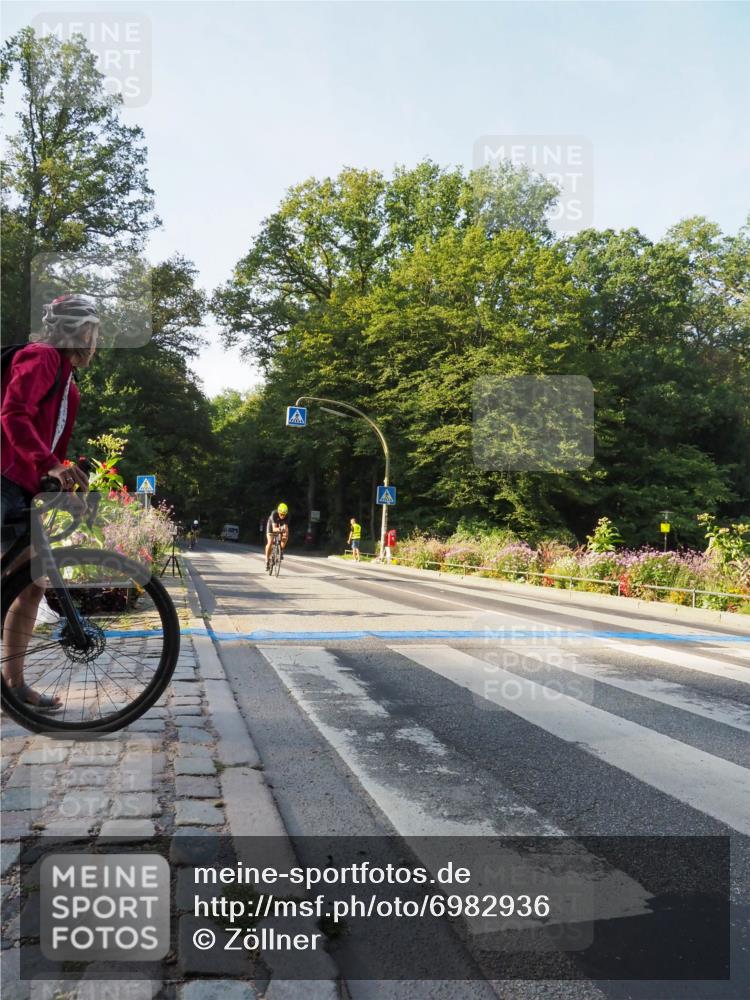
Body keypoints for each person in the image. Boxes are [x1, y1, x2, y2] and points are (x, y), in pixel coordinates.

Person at [1, 294, 99, 709]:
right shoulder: (41, 357)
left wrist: (61, 479)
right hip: (3, 479)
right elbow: (12, 413)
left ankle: (13, 687)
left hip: (20, 485)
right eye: (94, 331)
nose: (96, 342)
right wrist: (48, 464)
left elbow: (51, 444)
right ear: (79, 331)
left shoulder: (66, 380)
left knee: (30, 586)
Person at [265, 502, 289, 569]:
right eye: (281, 514)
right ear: (278, 512)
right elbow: (274, 529)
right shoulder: (274, 514)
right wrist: (280, 529)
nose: (282, 516)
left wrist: (285, 533)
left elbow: (286, 527)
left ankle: (281, 550)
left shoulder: (287, 516)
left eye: (284, 514)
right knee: (270, 541)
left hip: (280, 525)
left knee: (286, 536)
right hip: (271, 525)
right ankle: (267, 560)